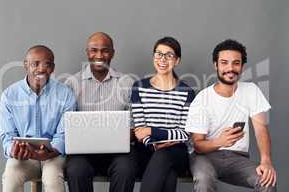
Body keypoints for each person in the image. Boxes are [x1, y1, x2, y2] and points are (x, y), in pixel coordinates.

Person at [186, 39, 277, 192]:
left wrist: (266, 161)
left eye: (236, 63)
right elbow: (198, 145)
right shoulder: (202, 98)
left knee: (267, 182)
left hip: (237, 158)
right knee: (203, 180)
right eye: (224, 62)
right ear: (216, 65)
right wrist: (219, 141)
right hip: (205, 157)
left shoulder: (251, 90)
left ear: (242, 66)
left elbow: (261, 129)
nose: (230, 68)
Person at [64, 32, 137, 192]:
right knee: (76, 170)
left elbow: (135, 124)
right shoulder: (72, 83)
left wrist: (118, 136)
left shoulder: (127, 83)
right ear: (87, 52)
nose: (99, 55)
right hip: (83, 152)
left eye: (105, 50)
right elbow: (66, 125)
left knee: (127, 168)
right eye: (94, 50)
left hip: (118, 152)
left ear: (112, 53)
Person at [0, 45, 77, 192]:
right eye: (35, 64)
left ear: (53, 68)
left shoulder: (66, 94)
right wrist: (14, 150)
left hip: (53, 156)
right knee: (11, 175)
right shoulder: (9, 96)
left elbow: (64, 134)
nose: (41, 69)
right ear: (25, 65)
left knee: (53, 178)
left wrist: (52, 151)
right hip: (24, 157)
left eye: (47, 64)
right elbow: (7, 136)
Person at [131, 36, 195, 192]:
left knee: (164, 157)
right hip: (146, 150)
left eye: (169, 55)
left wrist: (152, 131)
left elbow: (184, 134)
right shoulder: (139, 87)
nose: (162, 59)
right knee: (168, 175)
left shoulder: (187, 92)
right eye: (158, 54)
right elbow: (140, 131)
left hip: (177, 152)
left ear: (177, 60)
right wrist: (155, 143)